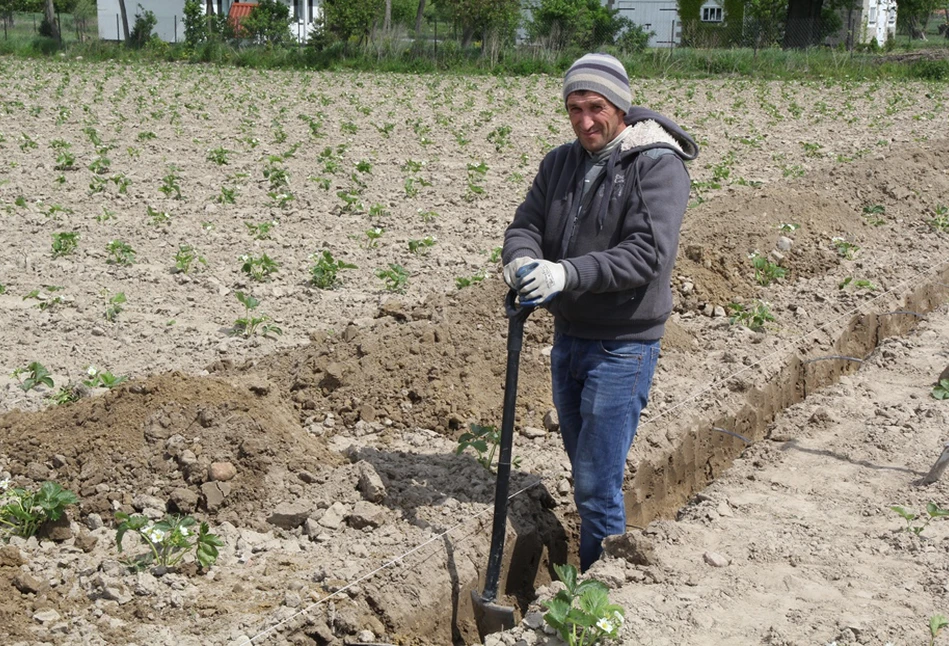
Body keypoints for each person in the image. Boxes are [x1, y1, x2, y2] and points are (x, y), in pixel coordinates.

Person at [502, 53, 698, 572]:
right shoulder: (560, 162)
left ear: (621, 106)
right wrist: (520, 258)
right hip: (569, 337)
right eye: (574, 108)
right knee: (585, 468)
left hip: (623, 345)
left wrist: (566, 273)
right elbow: (527, 222)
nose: (585, 121)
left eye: (596, 107)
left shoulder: (656, 164)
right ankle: (591, 576)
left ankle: (595, 590)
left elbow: (647, 255)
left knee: (595, 482)